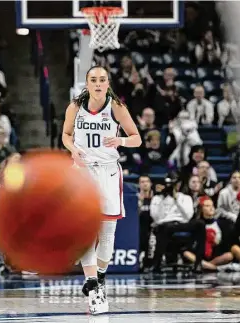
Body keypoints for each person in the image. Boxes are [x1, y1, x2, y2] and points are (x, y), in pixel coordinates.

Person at [62, 65, 142, 314]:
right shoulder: (75, 106)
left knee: (107, 234)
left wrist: (120, 140)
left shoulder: (116, 107)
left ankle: (100, 280)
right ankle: (93, 285)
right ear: (87, 83)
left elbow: (137, 138)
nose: (98, 84)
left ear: (108, 83)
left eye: (102, 80)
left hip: (108, 171)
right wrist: (73, 150)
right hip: (83, 173)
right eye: (93, 80)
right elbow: (65, 135)